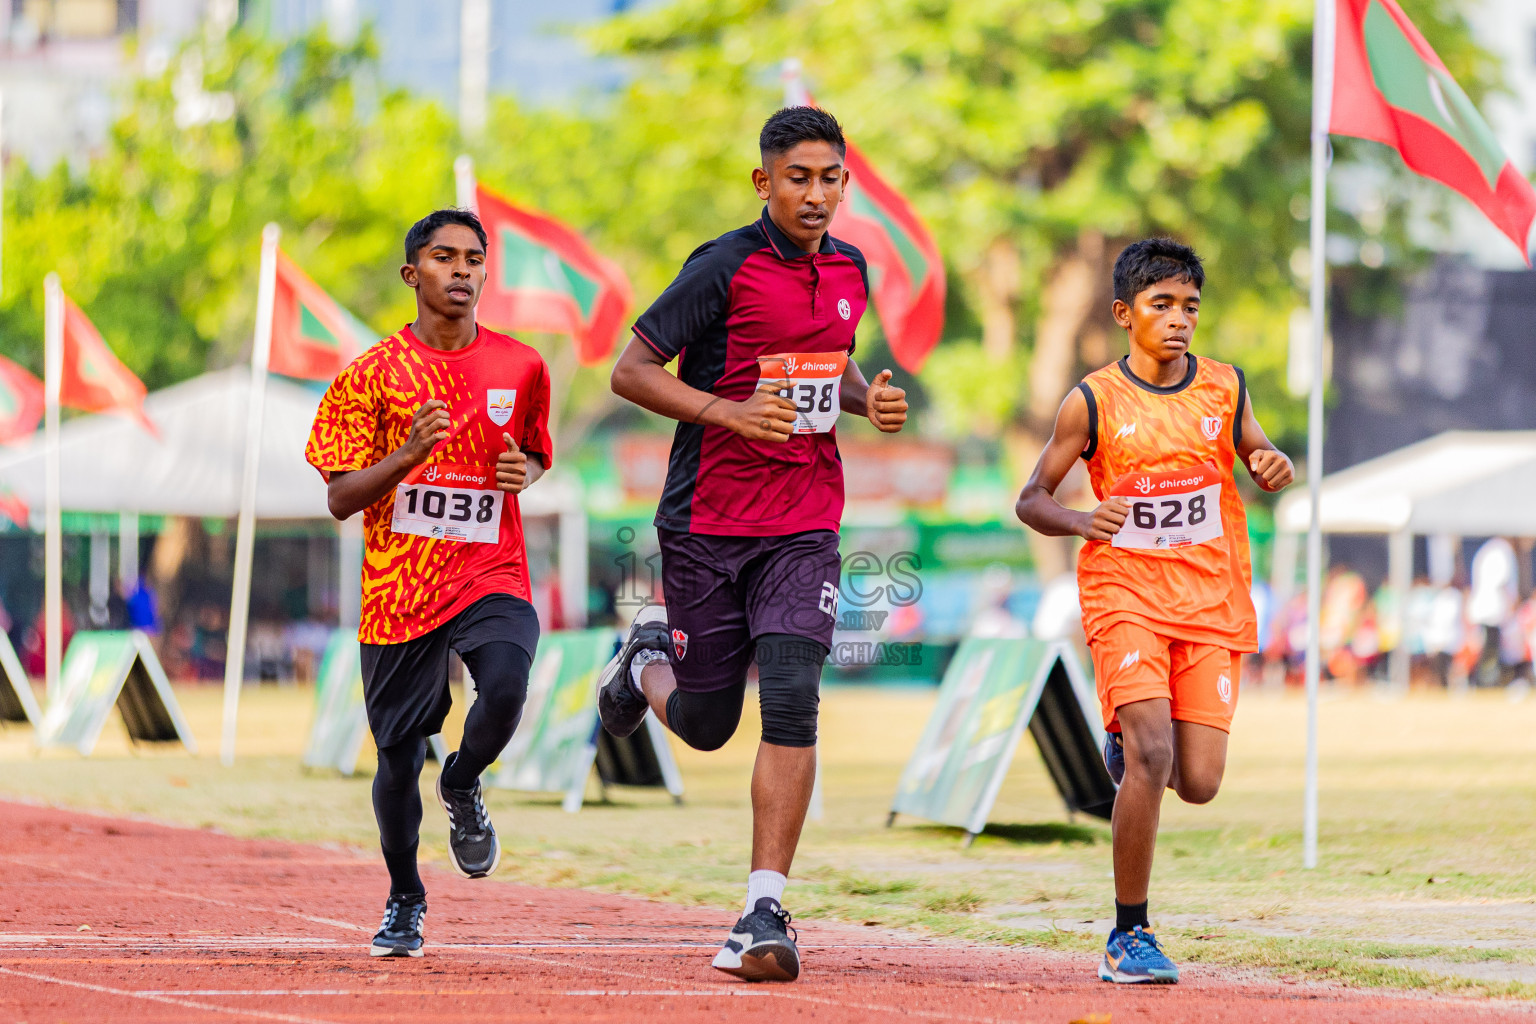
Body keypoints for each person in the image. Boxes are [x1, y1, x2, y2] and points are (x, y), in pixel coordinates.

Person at [598, 105, 909, 982]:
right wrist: (729, 411)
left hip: (805, 520)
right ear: (762, 181)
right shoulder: (722, 267)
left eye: (830, 178)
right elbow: (630, 371)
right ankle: (639, 664)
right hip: (706, 522)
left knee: (791, 692)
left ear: (847, 182)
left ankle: (762, 906)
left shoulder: (849, 269)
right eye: (798, 177)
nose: (816, 195)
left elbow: (828, 362)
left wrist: (865, 401)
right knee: (703, 724)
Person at [1014, 238, 1292, 984]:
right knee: (1153, 756)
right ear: (1124, 313)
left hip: (1208, 599)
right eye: (1161, 305)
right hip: (1125, 592)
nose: (1178, 320)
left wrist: (1273, 466)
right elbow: (1031, 497)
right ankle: (1128, 935)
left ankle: (1129, 743)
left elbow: (1260, 456)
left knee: (1198, 779)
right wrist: (1079, 520)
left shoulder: (1226, 388)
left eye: (1189, 307)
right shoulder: (1094, 400)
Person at [304, 209, 552, 958]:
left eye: (474, 258)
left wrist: (526, 472)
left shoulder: (523, 366)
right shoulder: (372, 376)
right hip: (400, 592)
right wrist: (410, 453)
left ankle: (465, 781)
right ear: (414, 274)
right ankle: (404, 898)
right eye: (444, 258)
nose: (462, 271)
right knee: (396, 758)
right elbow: (342, 498)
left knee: (507, 685)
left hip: (490, 572)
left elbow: (537, 454)